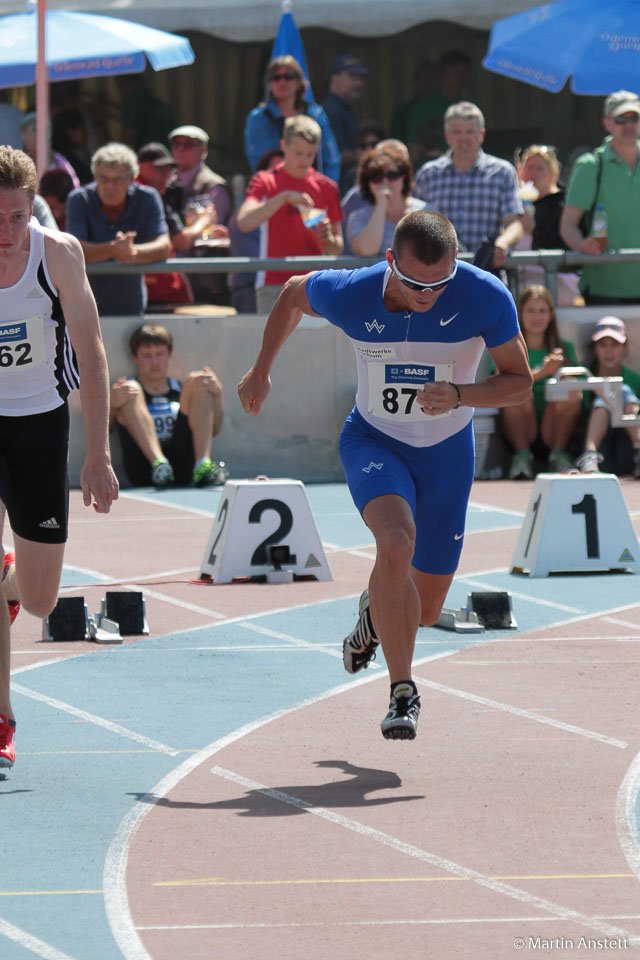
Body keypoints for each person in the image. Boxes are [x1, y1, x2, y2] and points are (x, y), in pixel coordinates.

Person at [238, 210, 532, 740]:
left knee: (425, 608)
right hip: (374, 440)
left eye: (441, 282)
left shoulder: (484, 295)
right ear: (392, 262)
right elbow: (290, 295)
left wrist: (461, 395)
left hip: (446, 453)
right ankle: (403, 694)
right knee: (395, 543)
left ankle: (374, 616)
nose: (429, 295)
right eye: (418, 284)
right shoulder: (353, 292)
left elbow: (519, 381)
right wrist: (262, 368)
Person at [0, 146, 119, 769]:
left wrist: (97, 453)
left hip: (39, 423)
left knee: (42, 601)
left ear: (32, 210)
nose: (6, 233)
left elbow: (93, 355)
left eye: (16, 218)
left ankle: (13, 583)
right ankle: (3, 717)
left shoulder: (59, 255)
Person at [236, 115, 344, 314]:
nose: (304, 160)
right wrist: (283, 198)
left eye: (310, 154)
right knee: (274, 345)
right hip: (273, 283)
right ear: (283, 145)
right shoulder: (265, 180)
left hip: (314, 284)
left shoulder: (327, 187)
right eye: (298, 153)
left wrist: (328, 239)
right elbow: (243, 222)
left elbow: (337, 248)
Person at [110, 323, 227, 488]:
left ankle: (202, 464)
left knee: (198, 381)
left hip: (182, 464)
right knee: (130, 389)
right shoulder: (126, 392)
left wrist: (217, 394)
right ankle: (159, 463)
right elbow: (106, 429)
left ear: (169, 354)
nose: (155, 362)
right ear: (135, 357)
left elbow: (214, 429)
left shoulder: (182, 390)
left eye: (159, 354)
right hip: (144, 469)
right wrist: (111, 405)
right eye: (147, 356)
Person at [413, 101, 524, 273]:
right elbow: (414, 224)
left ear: (482, 134)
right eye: (457, 132)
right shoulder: (428, 174)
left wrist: (503, 243)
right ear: (447, 136)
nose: (463, 138)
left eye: (469, 132)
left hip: (486, 270)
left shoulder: (502, 172)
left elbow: (514, 224)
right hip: (438, 272)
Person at [65, 143, 171, 316]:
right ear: (94, 177)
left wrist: (131, 252)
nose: (110, 187)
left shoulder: (148, 197)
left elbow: (164, 247)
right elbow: (73, 250)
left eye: (117, 180)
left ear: (132, 179)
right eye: (104, 179)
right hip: (84, 310)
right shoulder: (79, 199)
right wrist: (112, 250)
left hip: (133, 309)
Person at [560, 91, 640, 306]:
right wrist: (582, 244)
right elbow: (568, 225)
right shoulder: (590, 165)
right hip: (604, 288)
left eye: (635, 118)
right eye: (621, 119)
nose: (629, 124)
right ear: (607, 123)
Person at [501, 284, 582, 479]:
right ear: (520, 313)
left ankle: (559, 453)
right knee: (519, 392)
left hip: (553, 429)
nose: (537, 317)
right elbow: (499, 382)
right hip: (518, 430)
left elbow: (580, 391)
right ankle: (521, 456)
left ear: (551, 314)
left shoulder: (565, 348)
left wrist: (560, 373)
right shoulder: (508, 345)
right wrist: (544, 371)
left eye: (542, 311)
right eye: (530, 310)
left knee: (570, 387)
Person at [136, 142, 227, 307]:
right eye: (159, 169)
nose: (165, 176)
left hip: (139, 284)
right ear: (141, 167)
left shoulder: (141, 191)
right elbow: (182, 242)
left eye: (167, 170)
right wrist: (204, 221)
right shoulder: (148, 194)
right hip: (154, 288)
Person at [244, 55, 340, 186]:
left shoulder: (316, 114)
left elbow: (331, 160)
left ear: (299, 82)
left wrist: (324, 189)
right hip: (275, 191)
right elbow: (261, 161)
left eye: (288, 77)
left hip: (313, 190)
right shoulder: (259, 118)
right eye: (276, 78)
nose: (281, 82)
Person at [166, 124, 232, 303]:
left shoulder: (214, 186)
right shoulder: (166, 180)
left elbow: (214, 231)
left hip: (203, 277)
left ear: (203, 150)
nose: (180, 149)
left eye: (187, 144)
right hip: (171, 274)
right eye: (176, 144)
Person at [514, 144, 580, 307]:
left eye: (540, 168)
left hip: (556, 281)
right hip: (518, 278)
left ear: (553, 173)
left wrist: (532, 230)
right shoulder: (513, 202)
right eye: (529, 167)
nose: (533, 173)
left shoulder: (562, 203)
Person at [576, 316, 640, 477]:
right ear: (594, 348)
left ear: (625, 347)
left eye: (615, 345)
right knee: (608, 394)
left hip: (628, 451)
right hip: (600, 451)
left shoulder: (635, 379)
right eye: (602, 345)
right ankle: (589, 455)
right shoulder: (584, 377)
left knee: (621, 390)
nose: (609, 351)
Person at [347, 143, 426, 256]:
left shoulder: (427, 211)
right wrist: (381, 206)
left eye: (392, 175)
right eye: (376, 178)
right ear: (367, 183)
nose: (385, 182)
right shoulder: (358, 217)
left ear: (403, 177)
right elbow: (366, 250)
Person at [321, 55, 369, 194]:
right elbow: (335, 154)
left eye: (361, 78)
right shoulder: (330, 110)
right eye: (353, 77)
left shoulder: (343, 108)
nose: (359, 82)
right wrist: (367, 155)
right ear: (335, 78)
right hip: (337, 186)